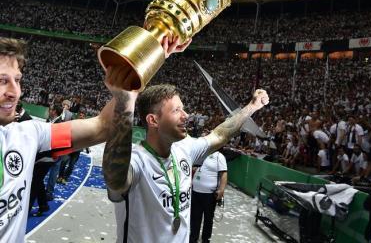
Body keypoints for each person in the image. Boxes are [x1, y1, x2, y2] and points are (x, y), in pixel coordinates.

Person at [0, 35, 185, 243]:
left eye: (17, 80)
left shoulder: (25, 136)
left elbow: (102, 126)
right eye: (2, 81)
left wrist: (149, 54)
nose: (15, 92)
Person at [102, 83, 269, 242]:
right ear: (153, 120)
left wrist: (252, 106)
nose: (186, 115)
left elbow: (220, 135)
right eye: (176, 110)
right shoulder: (136, 161)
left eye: (183, 108)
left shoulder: (184, 147)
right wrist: (125, 101)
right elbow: (115, 180)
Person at [189, 146, 227, 243]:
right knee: (195, 218)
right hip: (195, 192)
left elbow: (224, 174)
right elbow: (194, 167)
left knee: (208, 219)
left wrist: (221, 190)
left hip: (209, 195)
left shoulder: (219, 156)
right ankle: (193, 239)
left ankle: (206, 240)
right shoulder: (201, 155)